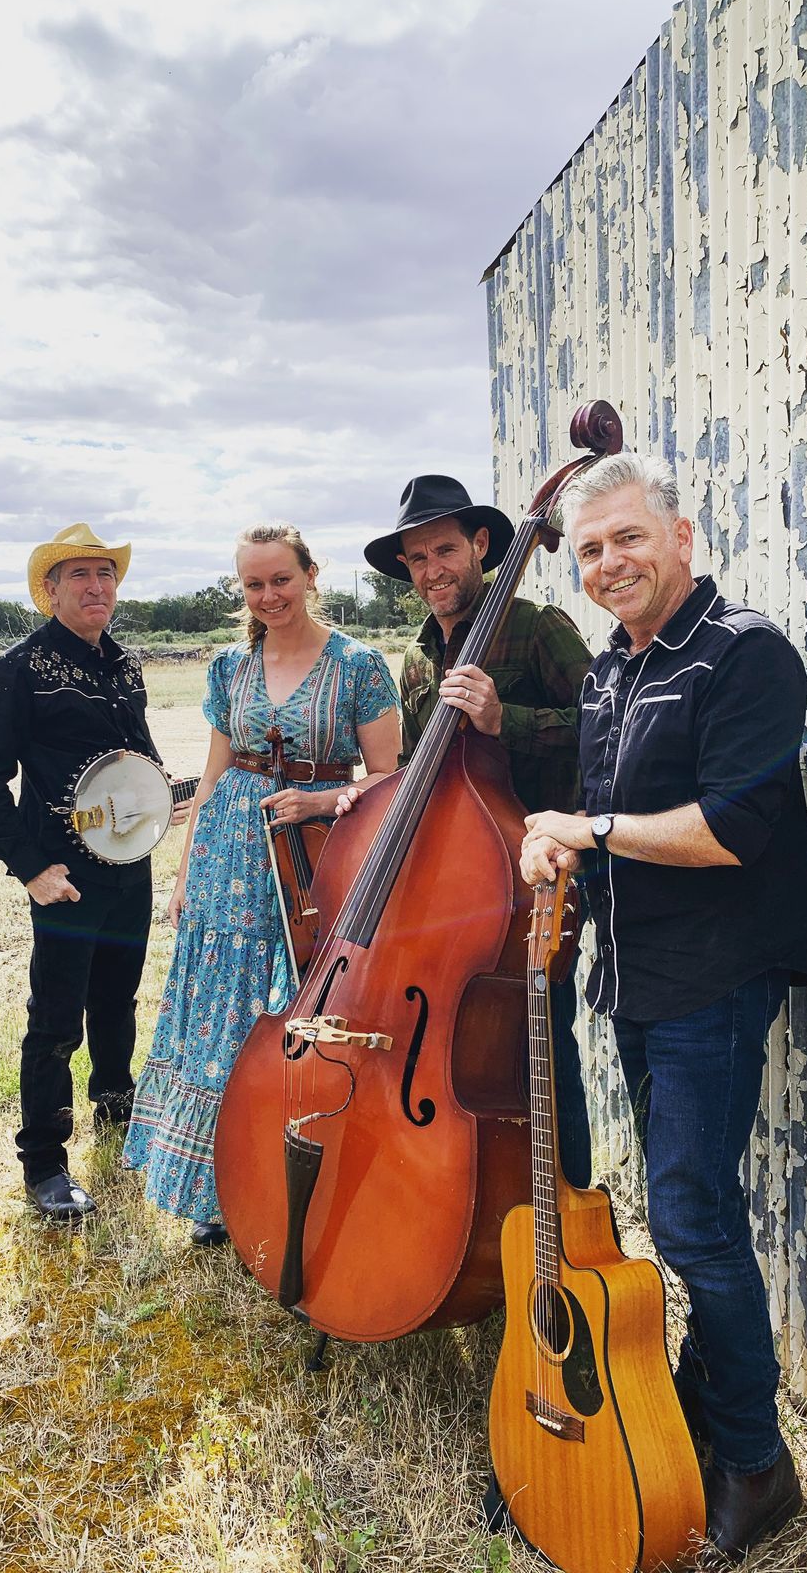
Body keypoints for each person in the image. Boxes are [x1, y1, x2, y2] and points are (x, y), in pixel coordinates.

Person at [519, 452, 807, 1562]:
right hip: (637, 976)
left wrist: (590, 829)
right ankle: (697, 1403)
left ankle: (754, 1461)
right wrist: (555, 851)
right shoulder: (608, 671)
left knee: (692, 1220)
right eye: (590, 549)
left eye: (627, 537)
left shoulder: (743, 654)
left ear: (681, 537)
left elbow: (730, 829)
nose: (609, 562)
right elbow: (602, 821)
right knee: (680, 1206)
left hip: (715, 976)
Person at [123, 523, 401, 1243]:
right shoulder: (229, 667)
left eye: (281, 579)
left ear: (310, 575)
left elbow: (389, 781)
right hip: (226, 861)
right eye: (255, 584)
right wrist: (184, 876)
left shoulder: (359, 666)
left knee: (297, 1007)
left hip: (313, 859)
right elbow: (212, 778)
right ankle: (214, 1189)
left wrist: (319, 800)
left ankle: (286, 1178)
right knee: (220, 1012)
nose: (270, 595)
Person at [338, 473, 595, 1187]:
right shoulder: (418, 656)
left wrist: (503, 719)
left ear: (481, 544)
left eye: (445, 550)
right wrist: (362, 801)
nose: (433, 571)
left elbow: (606, 730)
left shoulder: (537, 628)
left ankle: (570, 1203)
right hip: (451, 888)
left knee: (544, 1052)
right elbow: (419, 774)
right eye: (418, 559)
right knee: (456, 1053)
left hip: (531, 882)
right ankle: (476, 1199)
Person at [0, 523, 182, 1224]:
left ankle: (117, 1106)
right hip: (64, 875)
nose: (96, 586)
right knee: (56, 1019)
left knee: (118, 998)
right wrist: (30, 869)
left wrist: (159, 800)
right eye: (79, 575)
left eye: (105, 574)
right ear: (50, 591)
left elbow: (137, 758)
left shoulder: (125, 665)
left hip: (129, 866)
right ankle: (45, 1162)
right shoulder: (18, 670)